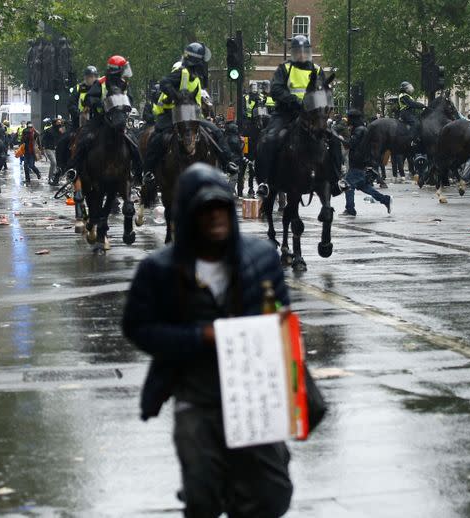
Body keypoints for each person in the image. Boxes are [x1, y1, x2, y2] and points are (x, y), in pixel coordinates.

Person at [122, 163, 293, 517]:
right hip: (196, 394)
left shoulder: (261, 258)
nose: (215, 217)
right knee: (202, 496)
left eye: (222, 208)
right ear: (188, 216)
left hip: (252, 393)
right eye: (205, 210)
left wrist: (273, 323)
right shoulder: (160, 270)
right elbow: (137, 326)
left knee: (271, 495)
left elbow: (282, 312)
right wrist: (200, 336)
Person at [144, 44, 237, 179]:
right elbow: (164, 82)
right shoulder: (182, 72)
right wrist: (175, 95)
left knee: (216, 132)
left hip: (192, 115)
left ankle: (228, 163)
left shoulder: (196, 77)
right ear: (197, 61)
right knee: (157, 138)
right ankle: (149, 171)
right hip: (172, 114)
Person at [255, 35, 323, 197]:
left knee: (332, 138)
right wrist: (295, 101)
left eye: (304, 51)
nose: (301, 55)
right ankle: (264, 181)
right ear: (293, 53)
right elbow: (276, 90)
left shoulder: (317, 70)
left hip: (311, 115)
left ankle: (336, 179)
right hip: (285, 113)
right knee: (269, 139)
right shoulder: (284, 69)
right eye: (298, 52)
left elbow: (323, 93)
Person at [341, 109, 392, 217]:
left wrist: (340, 138)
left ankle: (350, 209)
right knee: (364, 187)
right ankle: (385, 199)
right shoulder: (361, 129)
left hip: (358, 162)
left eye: (349, 118)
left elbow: (351, 144)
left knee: (348, 184)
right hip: (360, 162)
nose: (348, 121)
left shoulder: (359, 130)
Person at [68, 65, 99, 130]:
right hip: (80, 123)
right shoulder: (78, 88)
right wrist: (79, 114)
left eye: (95, 76)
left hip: (98, 120)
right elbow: (71, 105)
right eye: (90, 76)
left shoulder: (100, 88)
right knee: (66, 139)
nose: (93, 78)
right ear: (85, 77)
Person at [41, 118, 65, 185]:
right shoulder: (49, 130)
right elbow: (43, 139)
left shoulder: (61, 130)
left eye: (60, 122)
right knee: (54, 162)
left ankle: (55, 178)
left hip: (57, 149)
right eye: (58, 122)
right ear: (54, 123)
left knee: (57, 164)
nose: (59, 124)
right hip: (49, 148)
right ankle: (50, 178)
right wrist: (42, 148)